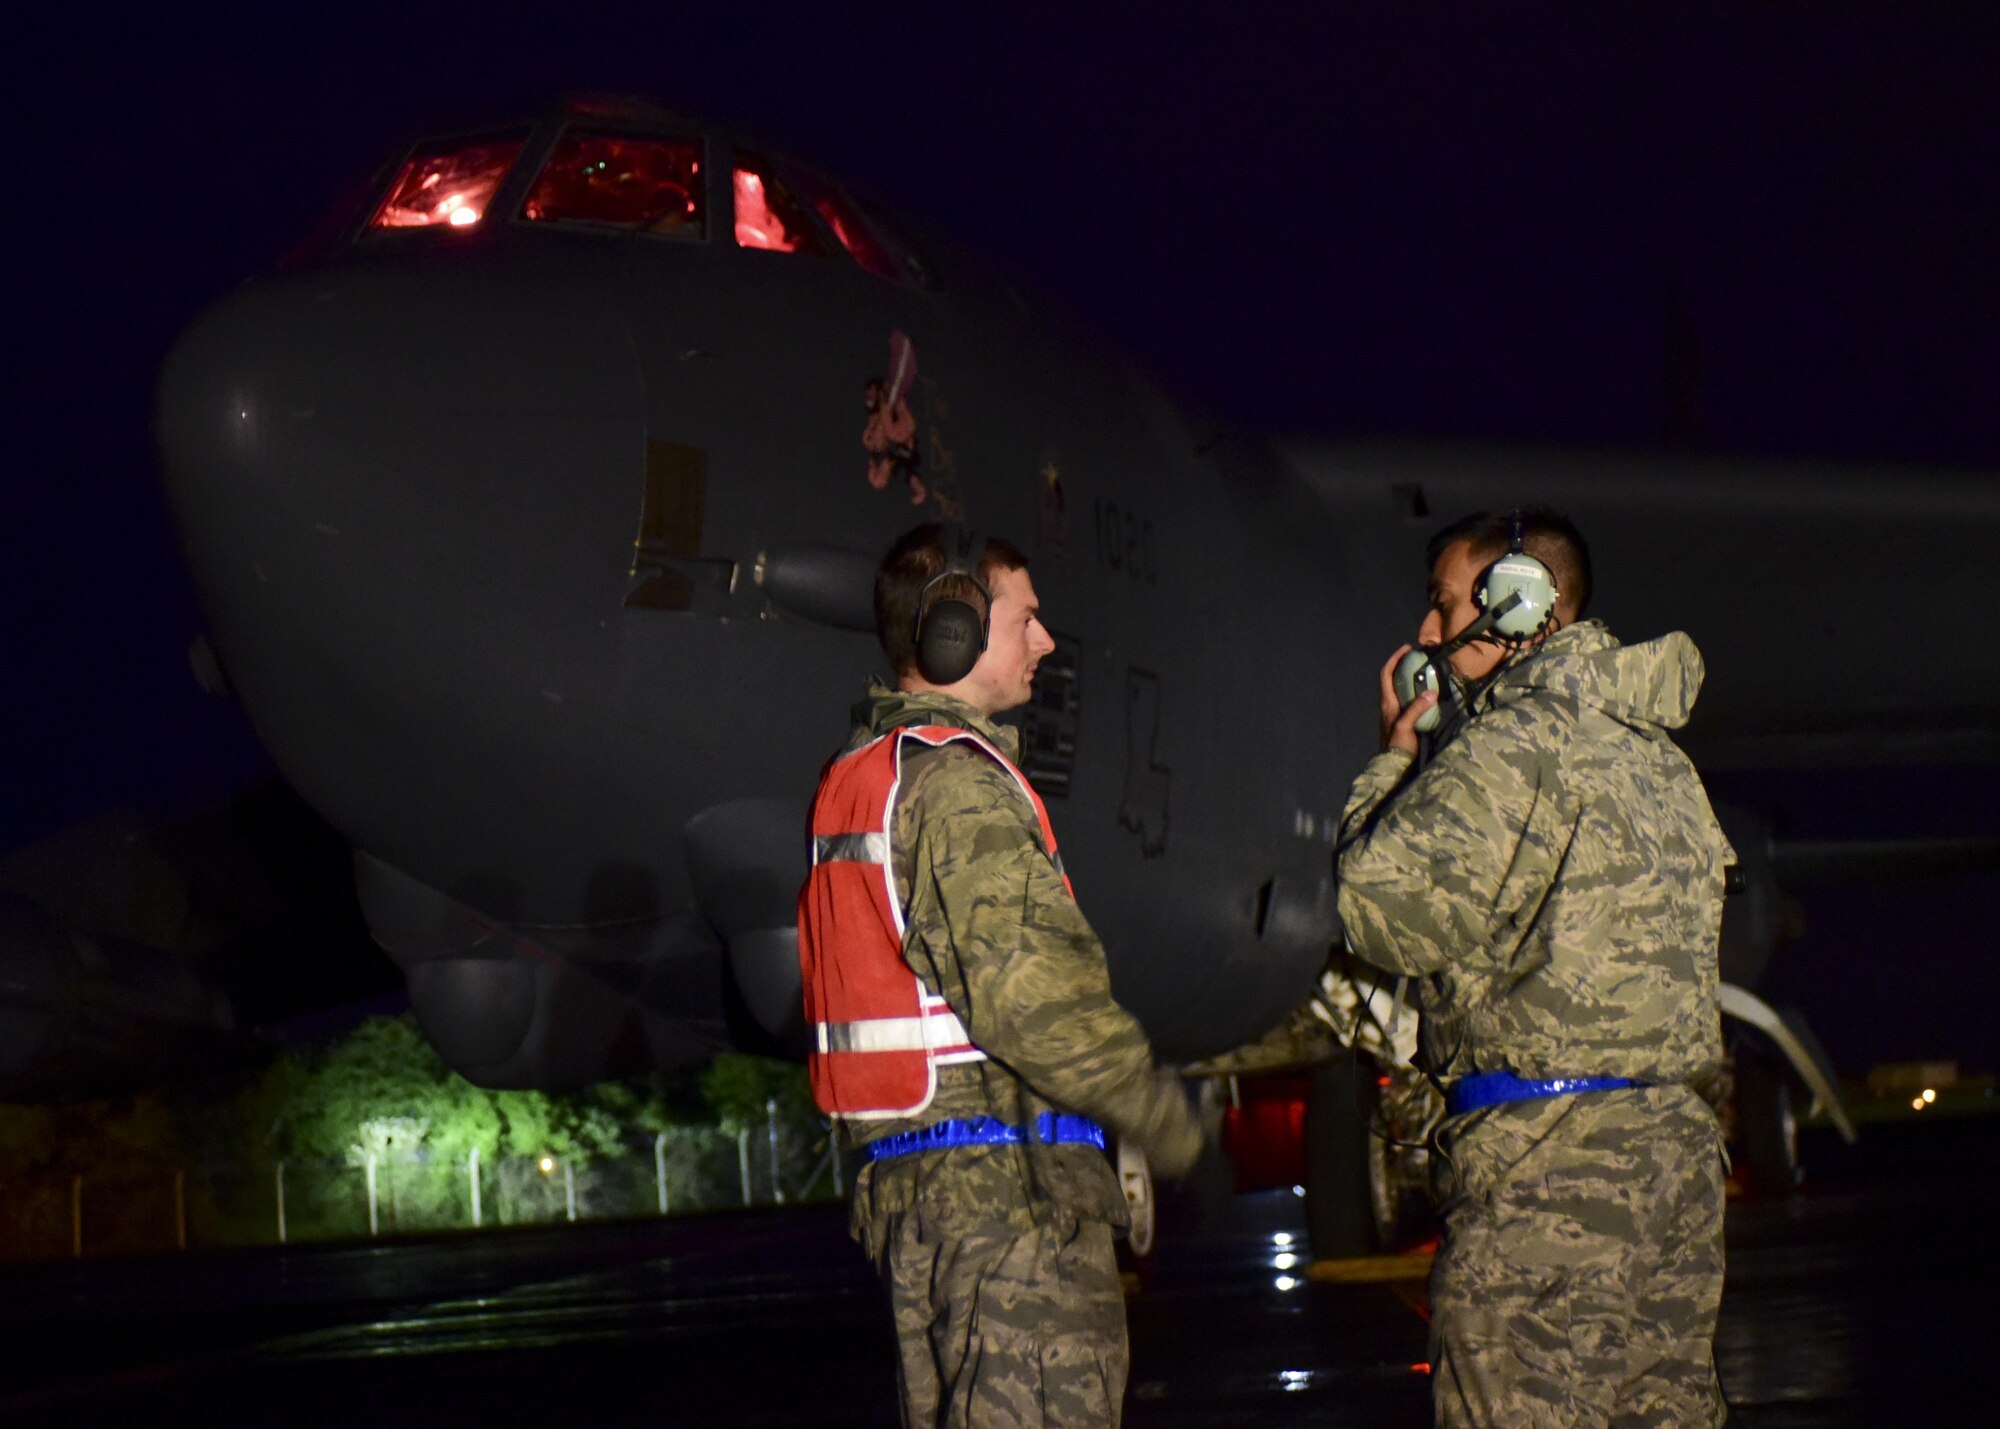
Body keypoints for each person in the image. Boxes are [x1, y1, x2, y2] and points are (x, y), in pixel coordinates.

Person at [797, 523, 1203, 1428]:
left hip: (932, 1204)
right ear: (954, 632)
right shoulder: (958, 788)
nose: (1047, 643)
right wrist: (1171, 1125)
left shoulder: (868, 776)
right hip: (1009, 1215)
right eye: (1027, 618)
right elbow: (1035, 999)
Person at [1335, 509, 1734, 1428]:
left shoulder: (1515, 744)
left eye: (1444, 605)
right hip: (1669, 1165)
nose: (1430, 633)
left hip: (1551, 1176)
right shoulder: (1655, 755)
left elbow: (1380, 907)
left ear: (1518, 609)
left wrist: (1394, 756)